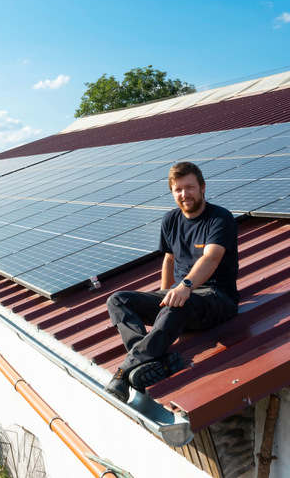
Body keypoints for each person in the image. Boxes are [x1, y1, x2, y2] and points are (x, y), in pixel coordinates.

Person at [104, 161, 240, 403]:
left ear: (203, 188)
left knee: (178, 303)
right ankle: (151, 361)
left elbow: (211, 258)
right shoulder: (170, 219)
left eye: (190, 187)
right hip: (182, 297)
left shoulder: (220, 218)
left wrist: (185, 286)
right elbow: (169, 259)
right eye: (178, 189)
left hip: (217, 297)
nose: (184, 194)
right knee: (118, 300)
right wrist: (164, 295)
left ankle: (124, 372)